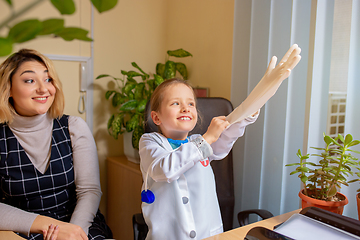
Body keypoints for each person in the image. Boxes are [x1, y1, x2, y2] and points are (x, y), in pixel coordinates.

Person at [139, 44, 301, 239]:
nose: (185, 108)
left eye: (190, 103)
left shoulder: (199, 142)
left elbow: (229, 131)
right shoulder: (150, 143)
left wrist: (258, 98)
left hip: (208, 235)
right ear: (156, 118)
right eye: (175, 103)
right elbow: (165, 169)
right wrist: (207, 138)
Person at [0, 49, 112, 240]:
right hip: (26, 229)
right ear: (8, 88)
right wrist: (50, 227)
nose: (43, 89)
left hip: (78, 223)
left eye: (48, 79)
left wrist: (73, 232)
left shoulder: (74, 127)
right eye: (29, 80)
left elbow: (89, 190)